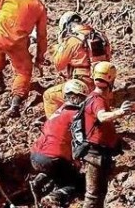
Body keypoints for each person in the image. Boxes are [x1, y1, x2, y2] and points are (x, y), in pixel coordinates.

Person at [78, 62, 135, 208]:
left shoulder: (94, 98)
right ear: (111, 80)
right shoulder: (97, 100)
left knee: (99, 192)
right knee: (92, 194)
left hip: (99, 151)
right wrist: (119, 112)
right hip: (94, 153)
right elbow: (101, 117)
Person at [30, 79, 88, 207]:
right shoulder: (76, 115)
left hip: (36, 156)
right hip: (53, 158)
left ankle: (40, 180)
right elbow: (80, 141)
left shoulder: (59, 111)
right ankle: (54, 197)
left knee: (59, 172)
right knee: (77, 183)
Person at [42, 13, 112, 118]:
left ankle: (54, 128)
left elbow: (58, 65)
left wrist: (60, 47)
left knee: (49, 96)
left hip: (81, 86)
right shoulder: (101, 37)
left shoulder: (73, 40)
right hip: (103, 86)